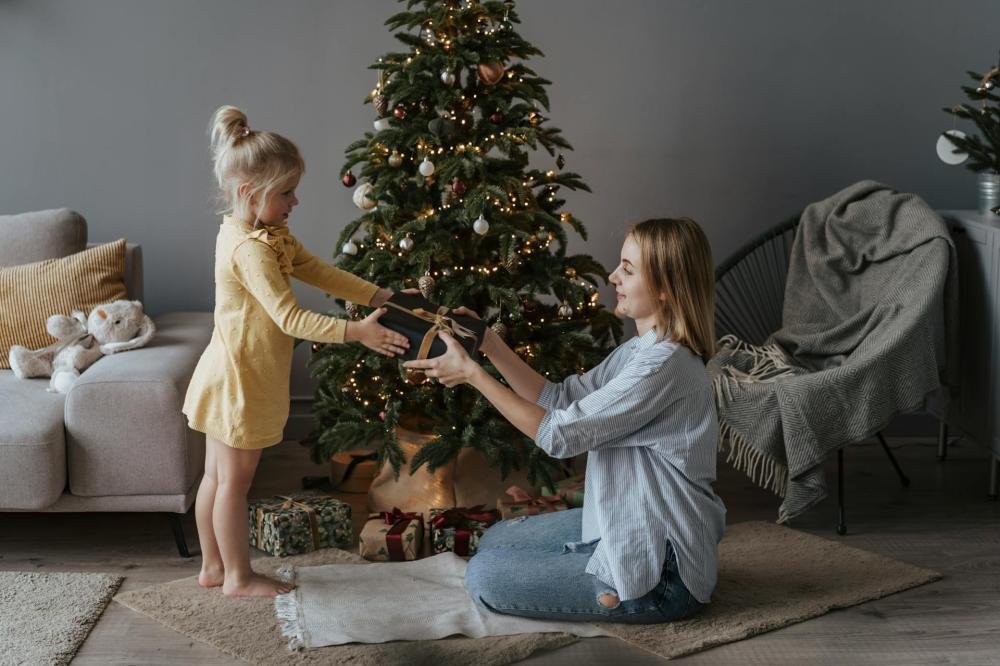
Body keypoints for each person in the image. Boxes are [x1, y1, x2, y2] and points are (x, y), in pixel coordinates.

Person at [404, 218, 726, 623]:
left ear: (665, 288)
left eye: (628, 269)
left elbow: (558, 435)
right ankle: (590, 560)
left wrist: (472, 374)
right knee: (499, 538)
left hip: (661, 575)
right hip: (627, 521)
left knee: (485, 577)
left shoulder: (663, 366)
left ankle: (622, 588)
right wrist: (488, 342)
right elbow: (559, 398)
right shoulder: (644, 350)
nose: (613, 276)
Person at [182, 105, 409, 597]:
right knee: (233, 484)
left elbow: (318, 271)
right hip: (240, 380)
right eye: (285, 193)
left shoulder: (263, 233)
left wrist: (378, 296)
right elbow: (291, 317)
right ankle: (238, 578)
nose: (295, 200)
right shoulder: (252, 250)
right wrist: (358, 333)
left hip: (229, 371)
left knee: (216, 478)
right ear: (249, 193)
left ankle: (213, 568)